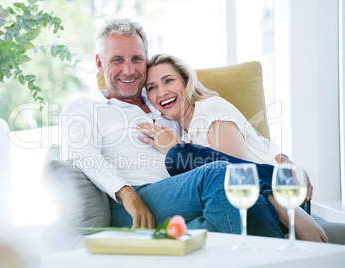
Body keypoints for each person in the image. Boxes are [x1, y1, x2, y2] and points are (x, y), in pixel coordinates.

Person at [60, 18, 286, 238]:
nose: (128, 70)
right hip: (133, 204)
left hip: (192, 194)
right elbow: (80, 153)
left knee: (232, 179)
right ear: (99, 63)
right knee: (220, 174)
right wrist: (126, 192)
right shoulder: (85, 108)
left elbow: (222, 131)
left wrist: (277, 156)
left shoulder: (165, 104)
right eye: (117, 60)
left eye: (137, 59)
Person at [137, 53, 328, 242]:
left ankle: (277, 204)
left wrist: (176, 148)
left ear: (186, 82)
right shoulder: (179, 132)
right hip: (260, 199)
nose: (161, 92)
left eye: (168, 81)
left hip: (282, 193)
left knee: (179, 156)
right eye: (152, 88)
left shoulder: (210, 107)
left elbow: (236, 173)